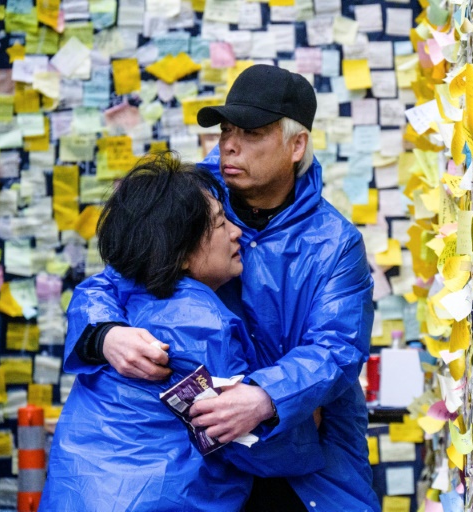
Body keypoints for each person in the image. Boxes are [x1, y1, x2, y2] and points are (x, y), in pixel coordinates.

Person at [65, 64, 378, 511]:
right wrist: (105, 335)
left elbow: (337, 347)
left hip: (305, 456)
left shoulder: (336, 242)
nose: (229, 144)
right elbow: (109, 283)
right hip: (202, 464)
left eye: (251, 133)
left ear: (297, 146)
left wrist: (267, 396)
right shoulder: (191, 199)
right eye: (226, 130)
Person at [42, 153, 324, 511]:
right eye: (221, 224)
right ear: (182, 253)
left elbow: (93, 290)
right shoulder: (199, 326)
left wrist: (104, 335)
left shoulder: (127, 292)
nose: (237, 232)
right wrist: (302, 417)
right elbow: (243, 441)